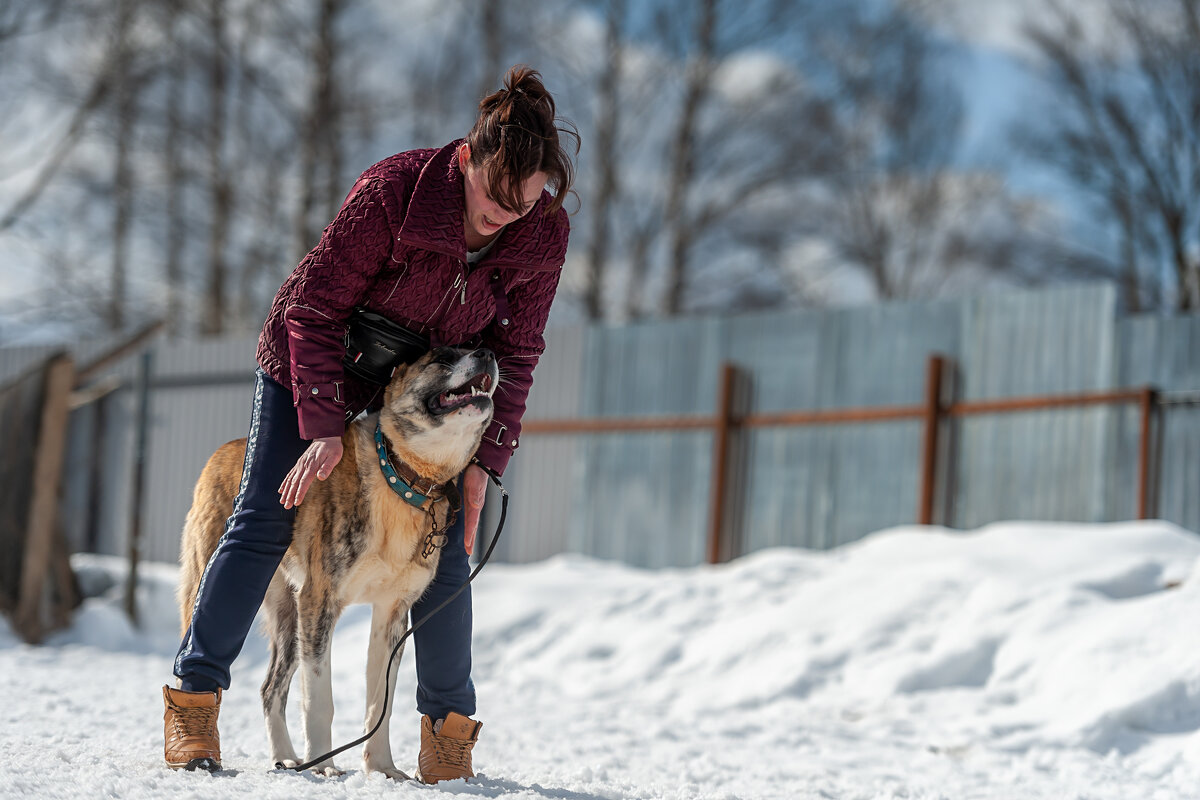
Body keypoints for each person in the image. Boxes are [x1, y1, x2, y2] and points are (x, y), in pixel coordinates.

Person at [161, 65, 577, 782]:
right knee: (266, 514)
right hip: (311, 354)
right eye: (491, 202)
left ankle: (447, 737)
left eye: (523, 206)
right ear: (466, 159)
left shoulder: (543, 234)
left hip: (412, 387)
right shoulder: (395, 192)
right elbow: (311, 310)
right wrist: (322, 424)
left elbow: (519, 350)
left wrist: (486, 465)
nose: (502, 220)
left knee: (444, 554)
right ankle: (194, 704)